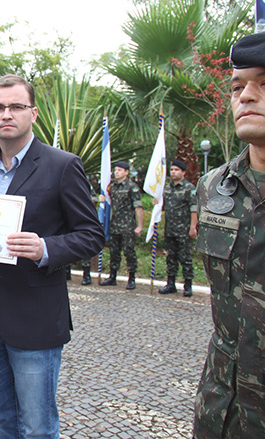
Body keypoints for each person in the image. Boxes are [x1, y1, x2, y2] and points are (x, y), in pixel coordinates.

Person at [0, 74, 105, 439]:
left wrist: (46, 248)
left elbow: (92, 235)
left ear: (34, 113)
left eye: (16, 106)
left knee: (38, 427)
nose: (6, 114)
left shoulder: (62, 165)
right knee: (3, 423)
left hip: (36, 318)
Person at [192, 32, 265, 438]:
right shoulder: (215, 188)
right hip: (223, 409)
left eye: (263, 84)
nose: (246, 97)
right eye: (238, 87)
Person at [154, 159, 197, 297]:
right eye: (172, 170)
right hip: (170, 230)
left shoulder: (189, 188)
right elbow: (163, 206)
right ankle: (171, 284)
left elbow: (194, 209)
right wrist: (156, 205)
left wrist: (193, 227)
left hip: (184, 230)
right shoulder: (166, 188)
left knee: (186, 258)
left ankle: (188, 285)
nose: (173, 172)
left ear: (183, 172)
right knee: (170, 258)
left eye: (176, 170)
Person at [99, 161, 143, 289]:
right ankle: (113, 276)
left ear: (126, 172)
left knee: (129, 252)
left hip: (127, 225)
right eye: (115, 170)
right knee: (114, 252)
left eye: (119, 170)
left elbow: (138, 207)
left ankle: (132, 278)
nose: (116, 172)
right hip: (114, 225)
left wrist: (139, 226)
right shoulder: (112, 187)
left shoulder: (132, 187)